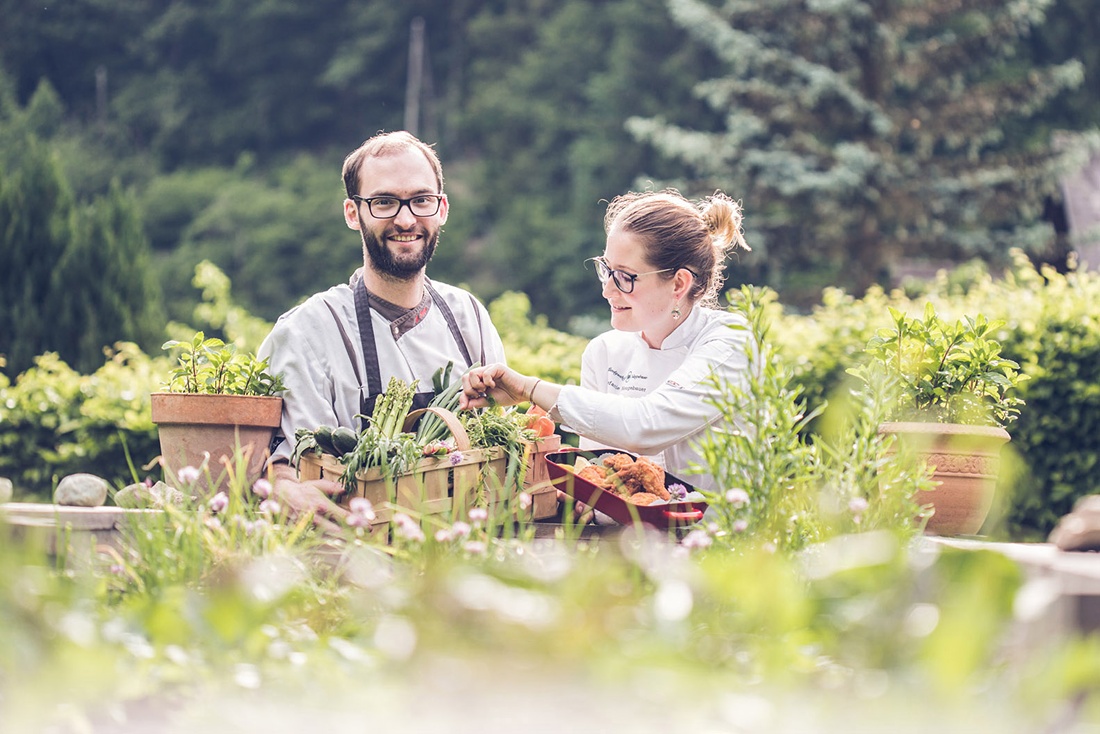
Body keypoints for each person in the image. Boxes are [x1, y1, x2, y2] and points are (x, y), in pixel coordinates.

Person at [259, 131, 507, 532]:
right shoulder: (307, 333)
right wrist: (281, 483)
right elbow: (284, 464)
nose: (406, 220)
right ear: (352, 213)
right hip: (352, 549)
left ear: (442, 208)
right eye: (384, 202)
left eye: (421, 200)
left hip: (466, 548)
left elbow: (501, 443)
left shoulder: (469, 317)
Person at [459, 188, 750, 510]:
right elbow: (598, 472)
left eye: (625, 277)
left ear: (679, 284)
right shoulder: (604, 352)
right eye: (607, 270)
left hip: (721, 538)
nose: (608, 290)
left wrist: (530, 389)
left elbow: (646, 426)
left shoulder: (730, 342)